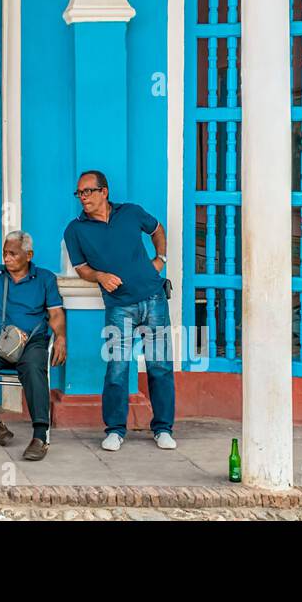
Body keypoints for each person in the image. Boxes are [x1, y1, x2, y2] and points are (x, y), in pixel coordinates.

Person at [63, 169, 176, 452]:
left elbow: (157, 229)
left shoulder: (131, 212)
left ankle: (163, 428)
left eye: (88, 191)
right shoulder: (75, 229)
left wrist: (160, 259)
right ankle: (115, 429)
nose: (83, 198)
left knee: (160, 366)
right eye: (79, 193)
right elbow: (81, 268)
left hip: (154, 299)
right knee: (117, 369)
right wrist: (100, 276)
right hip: (118, 307)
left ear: (104, 192)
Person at [0, 230, 65, 461]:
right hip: (0, 343)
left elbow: (56, 313)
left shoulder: (45, 279)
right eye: (5, 253)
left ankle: (40, 436)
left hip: (33, 343)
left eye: (13, 254)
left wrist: (60, 337)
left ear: (28, 255)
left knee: (32, 368)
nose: (7, 258)